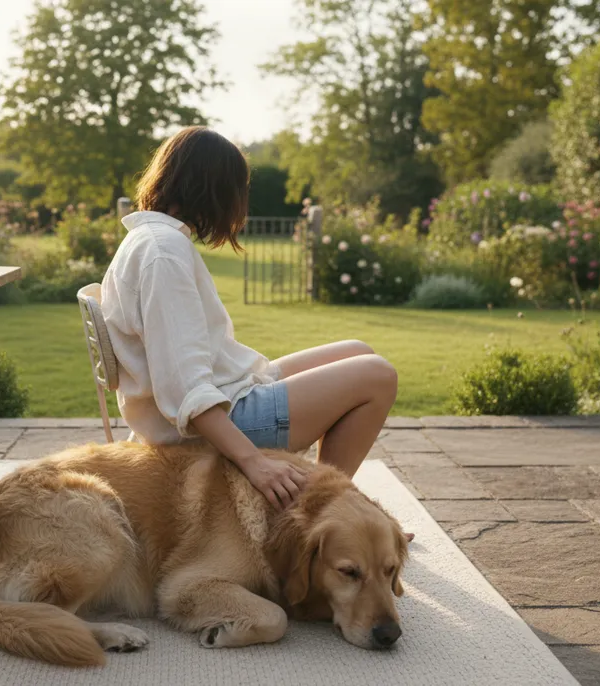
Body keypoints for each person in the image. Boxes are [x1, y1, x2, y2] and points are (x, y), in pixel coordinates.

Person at [101, 126, 398, 509]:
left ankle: (324, 496)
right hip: (211, 427)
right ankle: (325, 510)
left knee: (358, 351)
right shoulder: (164, 253)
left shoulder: (151, 239)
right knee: (378, 375)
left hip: (228, 393)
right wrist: (254, 462)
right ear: (216, 189)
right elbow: (185, 388)